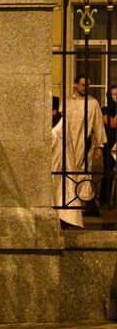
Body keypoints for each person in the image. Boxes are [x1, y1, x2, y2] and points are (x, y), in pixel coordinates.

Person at [56, 74, 106, 228]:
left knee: (84, 172)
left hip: (84, 143)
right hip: (67, 144)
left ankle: (88, 205)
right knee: (67, 173)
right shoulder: (67, 103)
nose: (86, 88)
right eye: (83, 85)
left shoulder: (93, 103)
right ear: (76, 85)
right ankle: (68, 207)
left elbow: (98, 124)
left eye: (88, 85)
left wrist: (100, 145)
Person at [103, 85, 117, 204]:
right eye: (114, 94)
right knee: (108, 171)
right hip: (110, 143)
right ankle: (105, 200)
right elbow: (112, 123)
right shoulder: (105, 110)